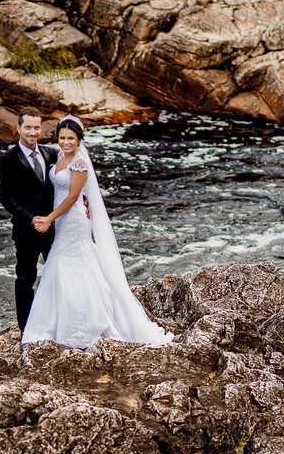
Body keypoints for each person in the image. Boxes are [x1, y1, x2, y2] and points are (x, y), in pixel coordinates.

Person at [20, 115, 173, 349]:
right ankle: (57, 323)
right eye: (62, 137)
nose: (66, 142)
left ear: (79, 140)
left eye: (71, 138)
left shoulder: (79, 163)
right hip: (62, 220)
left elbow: (72, 197)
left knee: (75, 262)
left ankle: (87, 325)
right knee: (60, 265)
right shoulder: (58, 156)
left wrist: (49, 218)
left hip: (73, 219)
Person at [0, 108, 59, 331]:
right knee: (25, 279)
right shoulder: (6, 160)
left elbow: (64, 185)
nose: (33, 132)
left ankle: (56, 322)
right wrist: (32, 219)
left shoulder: (52, 153)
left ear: (42, 128)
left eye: (36, 127)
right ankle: (26, 329)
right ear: (18, 128)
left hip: (53, 228)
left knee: (58, 275)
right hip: (26, 230)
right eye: (28, 127)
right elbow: (7, 198)